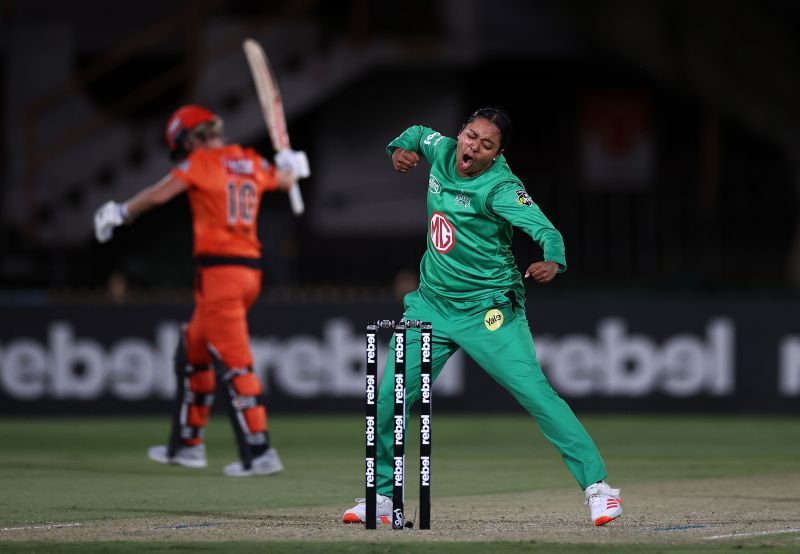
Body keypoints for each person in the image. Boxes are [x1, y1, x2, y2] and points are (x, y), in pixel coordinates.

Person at [342, 107, 622, 526]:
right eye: (471, 136)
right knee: (389, 399)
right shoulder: (442, 150)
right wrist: (398, 148)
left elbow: (547, 231)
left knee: (536, 394)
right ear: (462, 133)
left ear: (497, 154)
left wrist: (553, 261)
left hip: (488, 312)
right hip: (432, 306)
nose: (472, 146)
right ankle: (383, 499)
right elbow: (417, 132)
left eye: (486, 144)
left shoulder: (502, 188)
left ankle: (599, 489)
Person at [93, 104, 310, 476]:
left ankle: (259, 452)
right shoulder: (248, 160)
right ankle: (188, 444)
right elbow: (285, 180)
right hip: (247, 274)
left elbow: (160, 194)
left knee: (234, 361)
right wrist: (293, 165)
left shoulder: (204, 162)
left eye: (185, 146)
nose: (186, 153)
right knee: (193, 347)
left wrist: (120, 212)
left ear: (192, 138)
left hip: (221, 276)